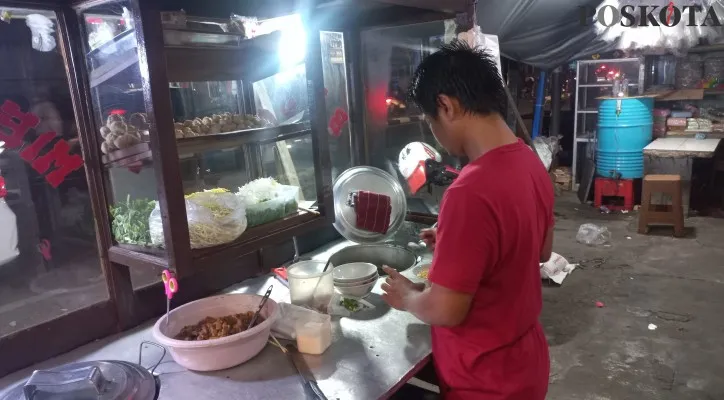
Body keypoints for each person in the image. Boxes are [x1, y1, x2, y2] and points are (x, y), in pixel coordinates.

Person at [381, 40, 554, 400]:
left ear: (447, 105)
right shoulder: (530, 161)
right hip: (526, 365)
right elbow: (539, 251)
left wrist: (409, 296)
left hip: (482, 380)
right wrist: (458, 242)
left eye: (430, 120)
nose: (435, 133)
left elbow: (446, 309)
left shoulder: (468, 191)